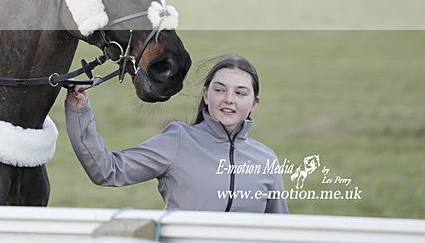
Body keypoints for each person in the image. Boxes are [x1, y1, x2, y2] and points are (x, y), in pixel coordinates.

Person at [64, 55, 288, 213]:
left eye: (240, 93)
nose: (229, 99)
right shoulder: (178, 141)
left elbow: (280, 231)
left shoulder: (266, 160)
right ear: (206, 95)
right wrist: (79, 111)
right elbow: (107, 170)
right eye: (219, 90)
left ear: (254, 103)